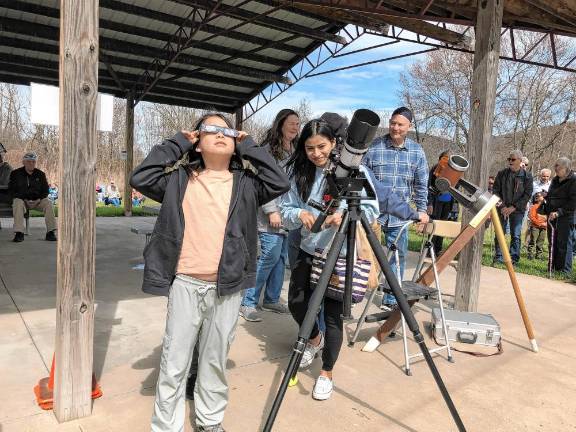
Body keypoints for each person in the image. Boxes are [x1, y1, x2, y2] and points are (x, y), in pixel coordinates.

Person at [130, 113, 289, 432]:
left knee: (214, 360)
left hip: (227, 287)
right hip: (185, 282)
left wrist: (252, 147)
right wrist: (176, 142)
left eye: (226, 131)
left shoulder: (246, 184)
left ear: (236, 143)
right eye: (210, 130)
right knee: (174, 361)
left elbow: (279, 181)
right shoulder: (178, 180)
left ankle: (209, 421)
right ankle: (165, 425)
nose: (219, 135)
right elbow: (141, 177)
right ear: (197, 142)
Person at [280, 119, 428, 401]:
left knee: (333, 316)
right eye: (309, 148)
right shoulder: (299, 173)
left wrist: (345, 218)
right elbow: (286, 209)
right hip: (309, 248)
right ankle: (314, 340)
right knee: (298, 304)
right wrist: (300, 215)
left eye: (321, 146)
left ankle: (327, 372)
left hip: (341, 254)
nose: (316, 153)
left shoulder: (356, 171)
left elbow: (371, 210)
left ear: (334, 144)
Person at [362, 106, 429, 311]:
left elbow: (421, 185)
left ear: (409, 127)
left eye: (400, 124)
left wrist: (422, 211)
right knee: (364, 254)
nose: (395, 127)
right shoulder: (374, 147)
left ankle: (391, 300)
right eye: (392, 123)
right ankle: (356, 291)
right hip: (374, 213)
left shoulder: (417, 152)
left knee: (397, 257)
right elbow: (362, 178)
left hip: (400, 215)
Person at [239, 108, 299, 322]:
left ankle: (272, 299)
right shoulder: (268, 151)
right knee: (269, 256)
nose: (295, 127)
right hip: (269, 214)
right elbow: (263, 182)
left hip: (288, 214)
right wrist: (271, 210)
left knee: (281, 257)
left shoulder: (295, 151)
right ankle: (248, 301)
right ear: (280, 124)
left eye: (298, 124)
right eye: (291, 122)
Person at [492, 150, 533, 265]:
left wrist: (513, 207)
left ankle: (513, 258)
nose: (510, 161)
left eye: (513, 159)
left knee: (516, 234)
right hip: (502, 208)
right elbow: (495, 191)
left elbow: (527, 195)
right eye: (509, 159)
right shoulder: (502, 174)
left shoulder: (527, 176)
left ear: (520, 161)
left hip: (517, 210)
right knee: (500, 232)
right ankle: (499, 256)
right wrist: (503, 207)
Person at [539, 157, 576, 274]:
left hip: (566, 216)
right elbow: (551, 195)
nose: (555, 168)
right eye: (555, 165)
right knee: (553, 242)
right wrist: (545, 197)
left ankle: (565, 271)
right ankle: (553, 267)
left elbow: (573, 201)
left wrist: (559, 212)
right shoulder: (555, 180)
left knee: (564, 243)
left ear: (566, 168)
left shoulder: (574, 180)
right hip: (552, 216)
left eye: (557, 166)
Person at [8, 152, 57, 242]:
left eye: (33, 162)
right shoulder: (15, 173)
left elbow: (45, 190)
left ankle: (50, 232)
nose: (31, 164)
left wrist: (38, 200)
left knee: (48, 202)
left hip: (37, 201)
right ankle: (19, 233)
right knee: (17, 202)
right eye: (29, 162)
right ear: (24, 162)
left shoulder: (41, 174)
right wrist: (25, 200)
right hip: (23, 201)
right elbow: (12, 190)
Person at [427, 150, 459, 256]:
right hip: (436, 202)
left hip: (448, 202)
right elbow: (429, 187)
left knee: (443, 226)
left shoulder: (454, 171)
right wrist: (430, 203)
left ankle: (438, 249)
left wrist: (454, 207)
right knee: (434, 226)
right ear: (440, 158)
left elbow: (456, 189)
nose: (447, 161)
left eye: (449, 159)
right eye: (445, 158)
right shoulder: (434, 169)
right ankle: (429, 250)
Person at [526, 192, 547, 260]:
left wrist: (546, 223)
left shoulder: (546, 206)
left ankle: (539, 255)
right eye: (539, 196)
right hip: (535, 227)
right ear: (536, 198)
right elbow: (532, 217)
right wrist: (540, 224)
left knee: (541, 241)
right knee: (533, 240)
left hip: (544, 227)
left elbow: (548, 216)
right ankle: (530, 254)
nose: (541, 197)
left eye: (542, 196)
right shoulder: (534, 207)